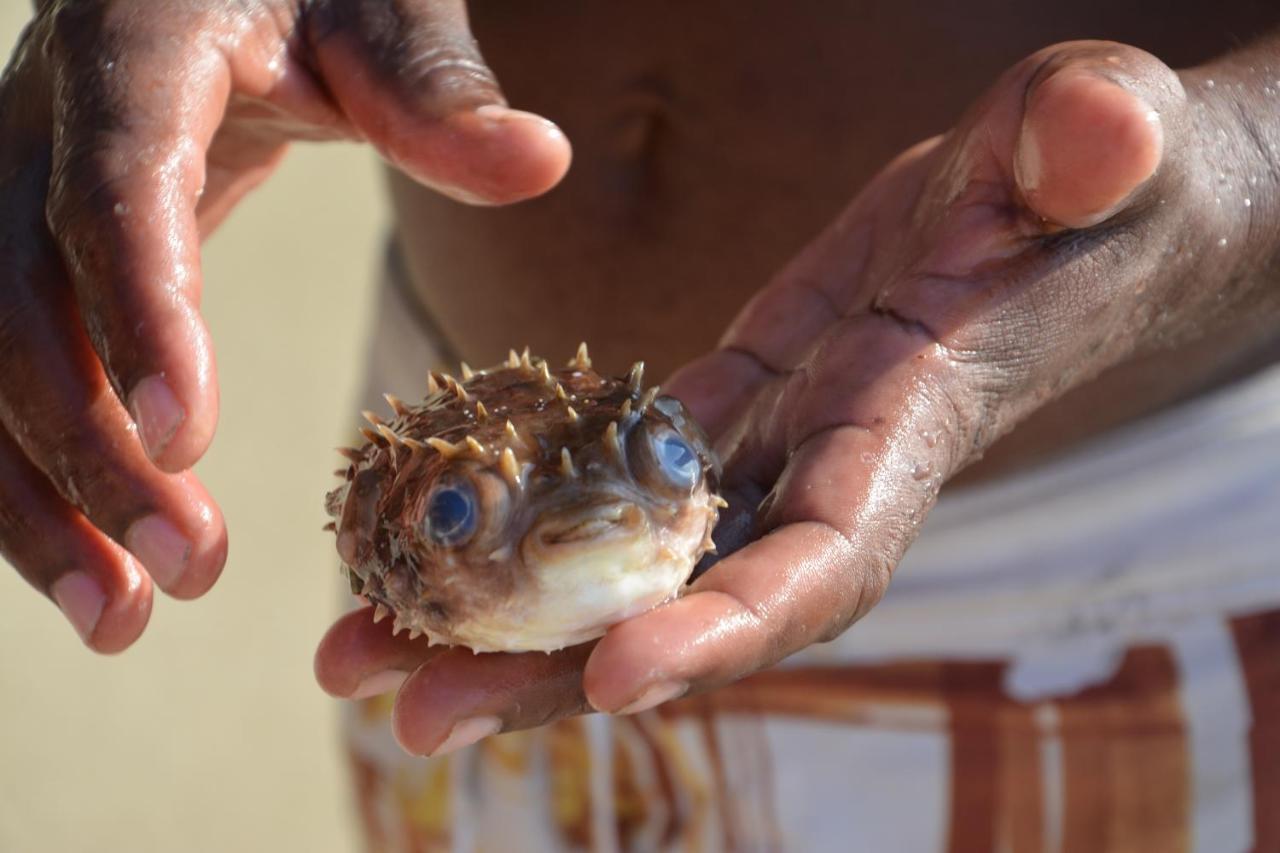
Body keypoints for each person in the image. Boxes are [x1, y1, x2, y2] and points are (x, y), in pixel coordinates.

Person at [3, 1, 1279, 849]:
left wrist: (1241, 165)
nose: (584, 528)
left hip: (1136, 591)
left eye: (658, 467)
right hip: (476, 705)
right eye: (454, 511)